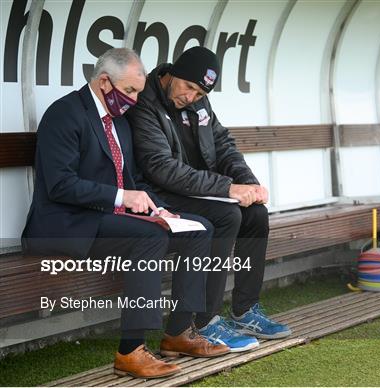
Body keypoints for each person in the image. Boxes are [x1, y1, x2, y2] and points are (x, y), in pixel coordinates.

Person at [21, 48, 229, 379]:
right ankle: (131, 350)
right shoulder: (65, 114)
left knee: (198, 228)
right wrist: (122, 197)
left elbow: (127, 180)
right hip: (66, 222)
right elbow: (60, 186)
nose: (133, 99)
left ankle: (178, 333)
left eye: (137, 92)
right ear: (104, 81)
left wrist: (157, 208)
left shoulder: (120, 122)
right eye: (129, 91)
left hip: (108, 218)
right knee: (149, 235)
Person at [125, 46, 291, 352]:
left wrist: (248, 183)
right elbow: (160, 168)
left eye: (200, 93)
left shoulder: (200, 103)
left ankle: (244, 310)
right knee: (227, 216)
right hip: (160, 194)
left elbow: (223, 145)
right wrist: (228, 188)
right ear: (173, 73)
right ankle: (205, 320)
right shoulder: (145, 101)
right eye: (188, 87)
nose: (191, 97)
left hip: (196, 189)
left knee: (256, 213)